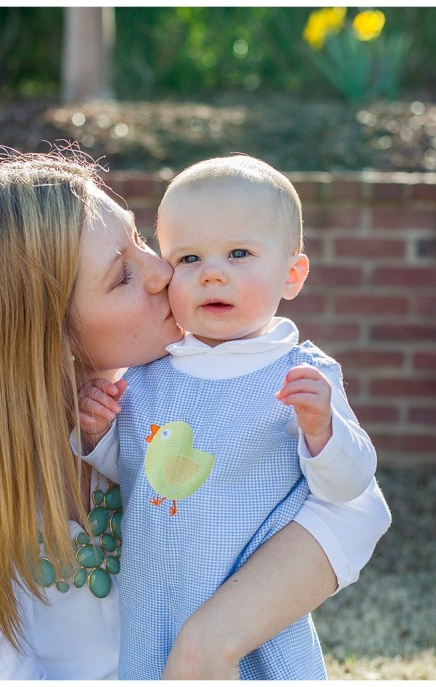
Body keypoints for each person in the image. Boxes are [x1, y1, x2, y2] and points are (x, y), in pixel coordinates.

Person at [0, 149, 391, 680]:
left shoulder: (172, 389)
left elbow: (357, 510)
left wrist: (209, 640)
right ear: (42, 333)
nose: (162, 271)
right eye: (123, 274)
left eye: (141, 241)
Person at [76, 154, 376, 679]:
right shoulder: (148, 375)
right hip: (157, 601)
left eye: (239, 254)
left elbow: (352, 486)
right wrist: (99, 436)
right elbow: (132, 471)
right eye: (188, 259)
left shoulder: (302, 374)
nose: (213, 273)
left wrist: (323, 433)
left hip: (250, 609)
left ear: (292, 274)